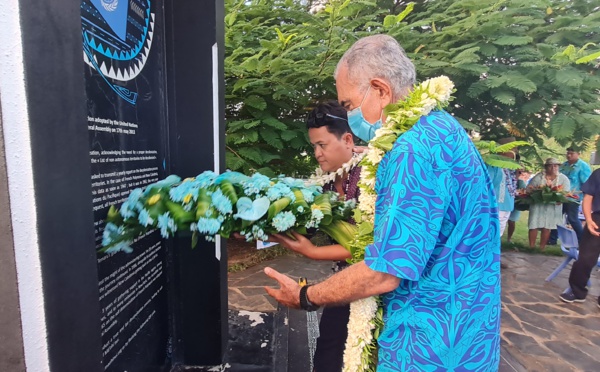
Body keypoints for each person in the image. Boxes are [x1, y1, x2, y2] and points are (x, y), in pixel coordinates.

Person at [264, 35, 501, 370]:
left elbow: (385, 272)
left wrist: (305, 296)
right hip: (468, 327)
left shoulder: (412, 151)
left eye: (347, 105)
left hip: (429, 344)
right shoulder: (441, 127)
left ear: (379, 89)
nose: (350, 116)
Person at [297, 100, 361, 372]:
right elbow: (306, 227)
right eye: (313, 146)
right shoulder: (322, 183)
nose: (317, 154)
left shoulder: (373, 174)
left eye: (322, 145)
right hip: (344, 282)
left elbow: (371, 246)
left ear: (347, 139)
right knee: (328, 354)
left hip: (374, 280)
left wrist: (312, 252)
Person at [559, 167, 600, 307]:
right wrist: (588, 220)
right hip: (596, 221)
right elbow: (588, 198)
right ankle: (577, 291)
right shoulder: (598, 173)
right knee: (586, 258)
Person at [548, 148, 591, 244]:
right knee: (556, 217)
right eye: (568, 153)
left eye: (572, 153)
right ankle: (552, 239)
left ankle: (582, 240)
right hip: (560, 196)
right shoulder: (564, 165)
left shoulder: (583, 166)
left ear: (578, 154)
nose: (569, 155)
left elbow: (587, 183)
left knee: (572, 218)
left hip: (573, 197)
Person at [527, 158, 570, 250]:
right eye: (550, 165)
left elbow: (566, 193)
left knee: (548, 226)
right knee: (533, 224)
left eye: (555, 165)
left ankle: (542, 248)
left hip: (553, 206)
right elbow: (529, 189)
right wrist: (537, 191)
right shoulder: (539, 177)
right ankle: (531, 247)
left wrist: (560, 199)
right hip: (538, 204)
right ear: (546, 167)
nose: (553, 168)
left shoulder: (563, 178)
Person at [507, 173, 527, 243]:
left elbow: (524, 192)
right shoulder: (507, 180)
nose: (518, 174)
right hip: (506, 202)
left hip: (515, 204)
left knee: (511, 222)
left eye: (519, 173)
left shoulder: (520, 182)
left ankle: (509, 238)